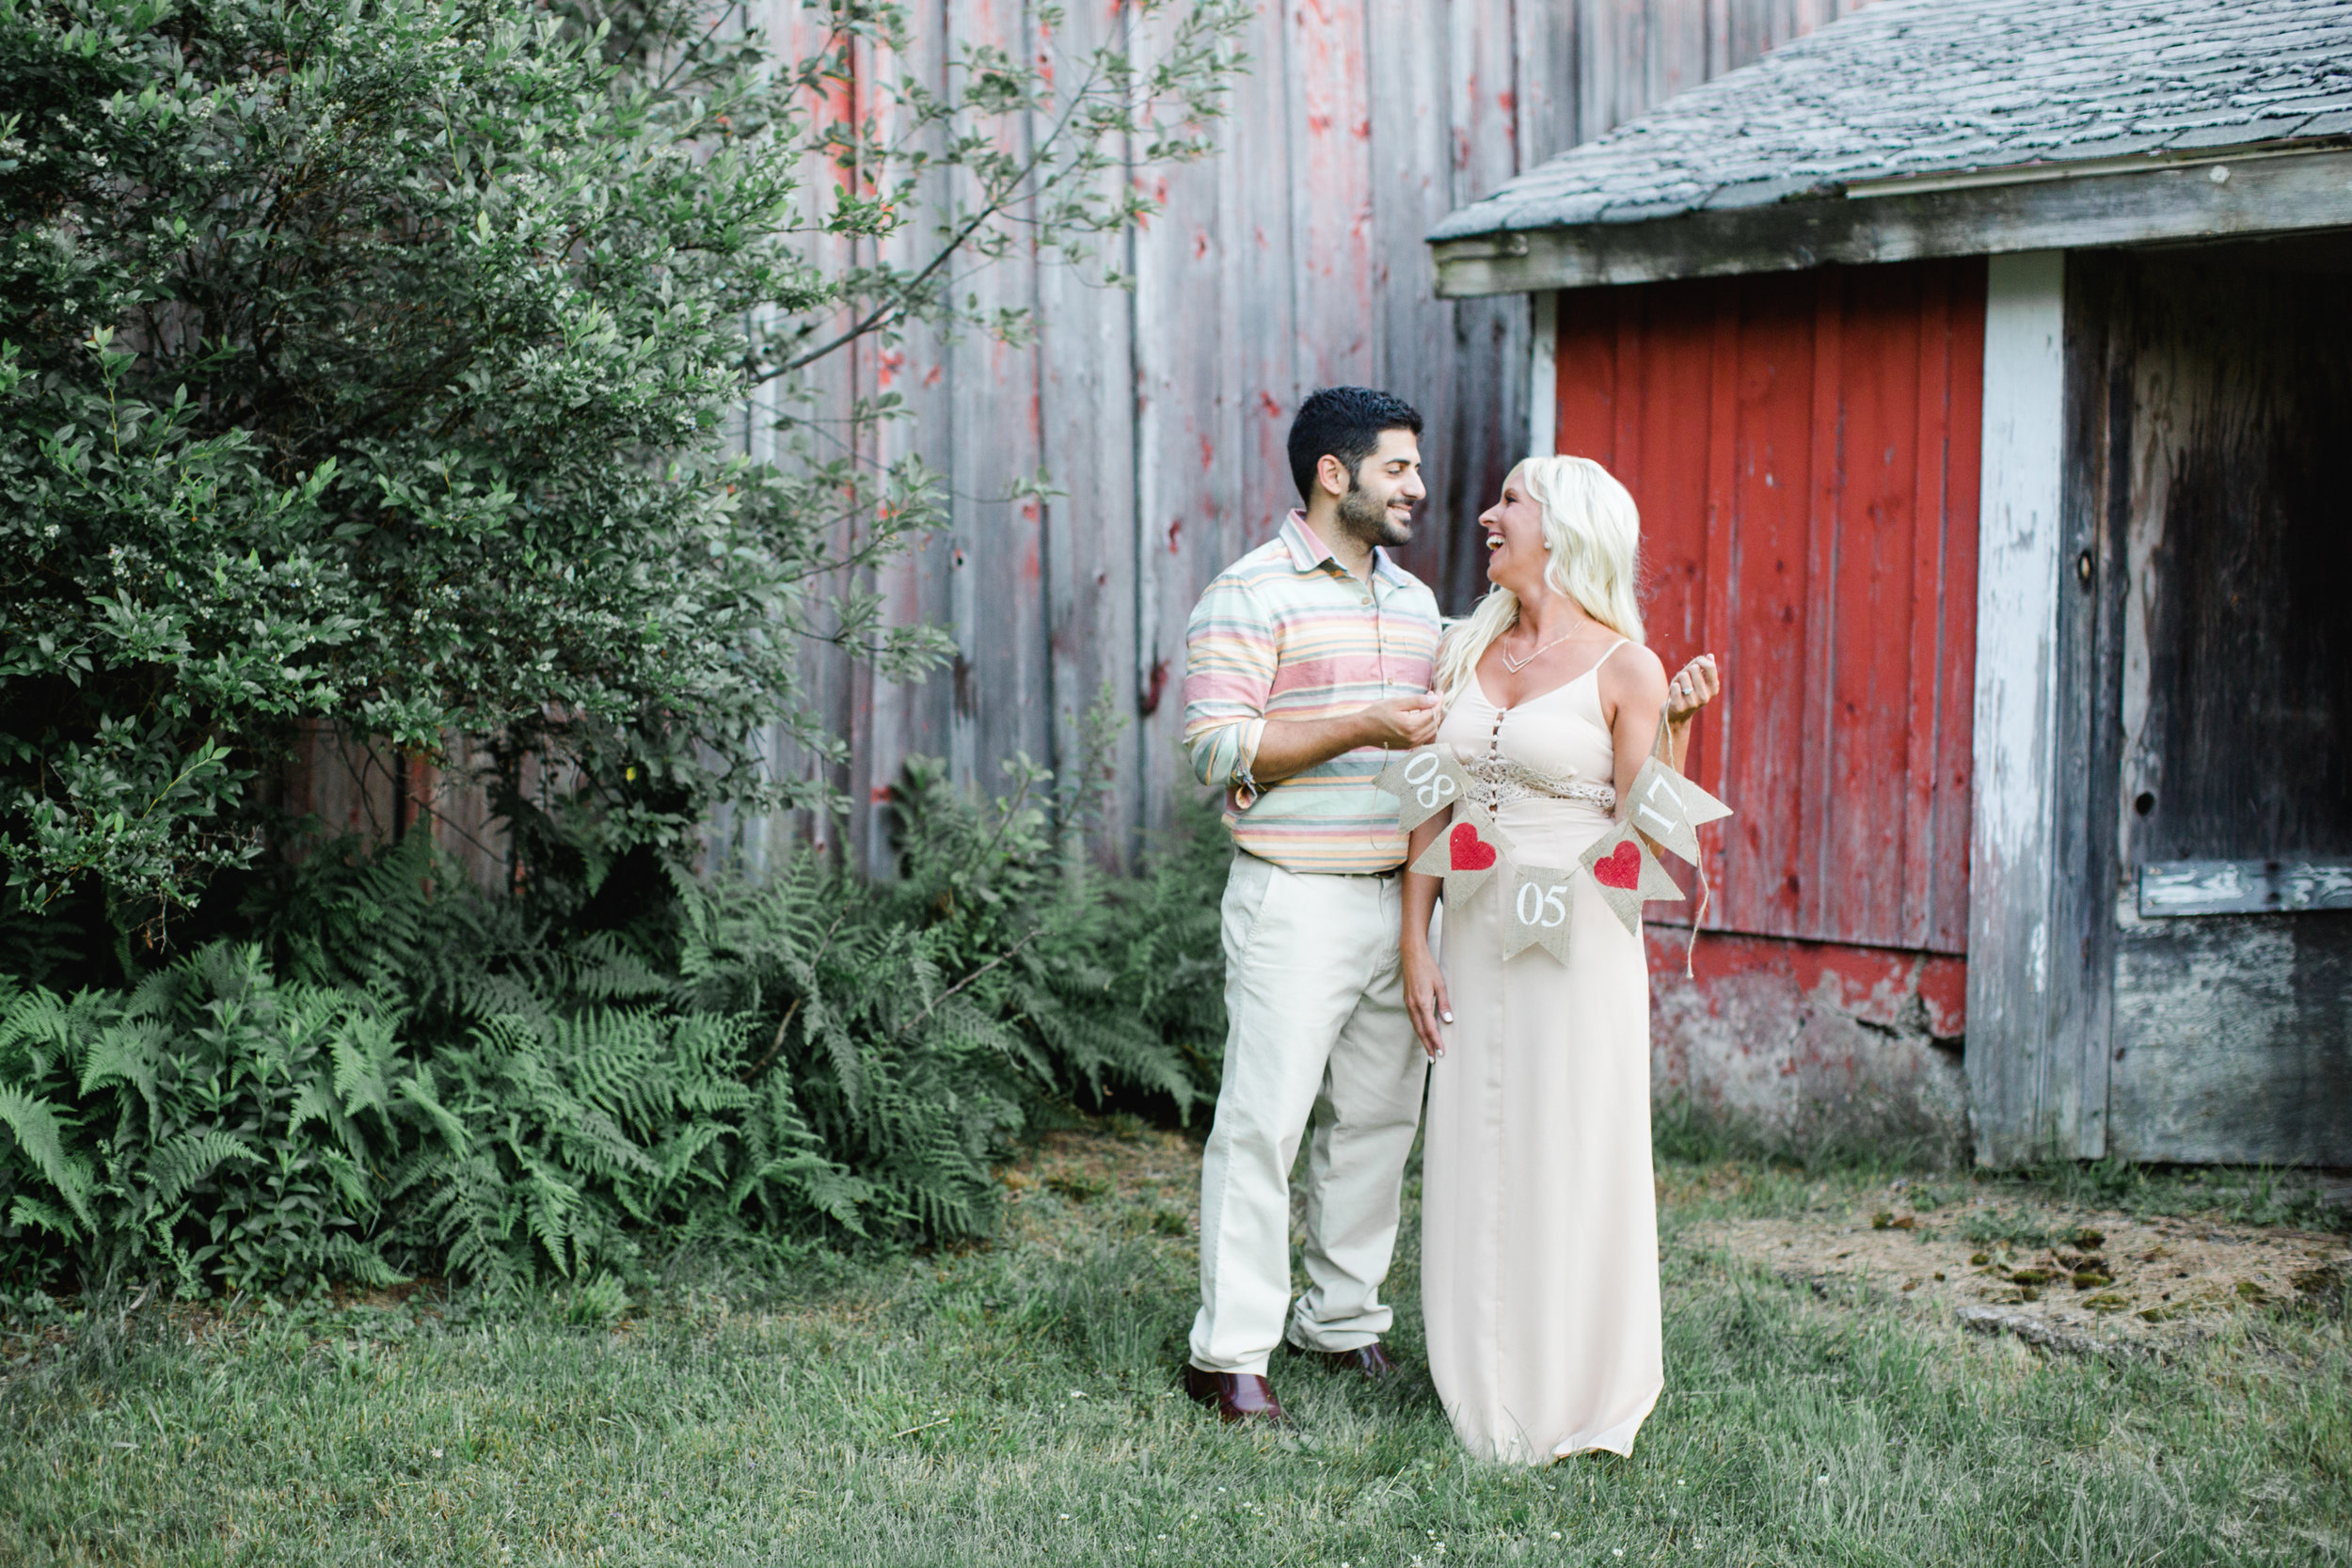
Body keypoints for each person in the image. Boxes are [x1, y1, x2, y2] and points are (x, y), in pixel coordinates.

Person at [1402, 454, 1719, 1465]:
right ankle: (1483, 1374)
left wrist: (1674, 727)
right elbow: (1429, 800)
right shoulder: (1463, 648)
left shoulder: (1623, 663)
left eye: (1510, 502)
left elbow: (1650, 831)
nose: (1488, 516)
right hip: (1472, 931)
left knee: (1565, 1142)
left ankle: (1576, 1384)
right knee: (1474, 1144)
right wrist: (1415, 937)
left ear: (1565, 527)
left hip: (1576, 931)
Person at [1176, 387, 1446, 1425]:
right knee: (1262, 1127)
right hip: (1292, 899)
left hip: (1399, 901)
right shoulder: (1248, 593)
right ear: (1334, 474)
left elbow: (1435, 767)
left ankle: (1340, 1321)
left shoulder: (1419, 605)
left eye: (1414, 468)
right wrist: (1359, 722)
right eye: (1397, 468)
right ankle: (1229, 1353)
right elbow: (1217, 748)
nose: (1416, 486)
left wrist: (1424, 918)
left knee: (1378, 1122)